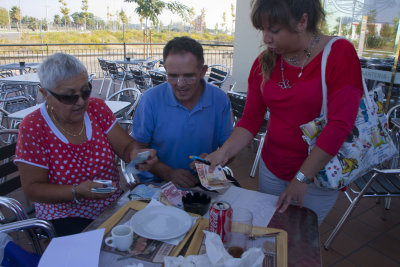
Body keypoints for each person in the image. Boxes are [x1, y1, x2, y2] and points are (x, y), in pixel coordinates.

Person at [206, 0, 363, 225]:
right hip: (272, 167)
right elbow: (250, 120)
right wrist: (223, 153)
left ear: (302, 21)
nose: (266, 38)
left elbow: (340, 125)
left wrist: (301, 178)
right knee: (270, 231)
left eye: (274, 30)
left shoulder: (338, 53)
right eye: (263, 30)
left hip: (316, 176)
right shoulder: (264, 63)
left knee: (299, 240)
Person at [14, 53, 157, 236]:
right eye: (68, 97)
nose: (81, 102)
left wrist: (137, 155)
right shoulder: (34, 126)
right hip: (64, 215)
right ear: (45, 94)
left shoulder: (97, 109)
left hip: (111, 205)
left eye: (85, 91)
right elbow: (33, 189)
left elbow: (126, 148)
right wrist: (77, 191)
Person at [131, 36, 233, 188]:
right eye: (172, 76)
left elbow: (230, 148)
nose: (180, 84)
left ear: (202, 71)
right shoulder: (151, 99)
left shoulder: (219, 99)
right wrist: (168, 173)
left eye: (189, 76)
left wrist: (214, 158)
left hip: (205, 180)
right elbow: (137, 150)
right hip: (158, 182)